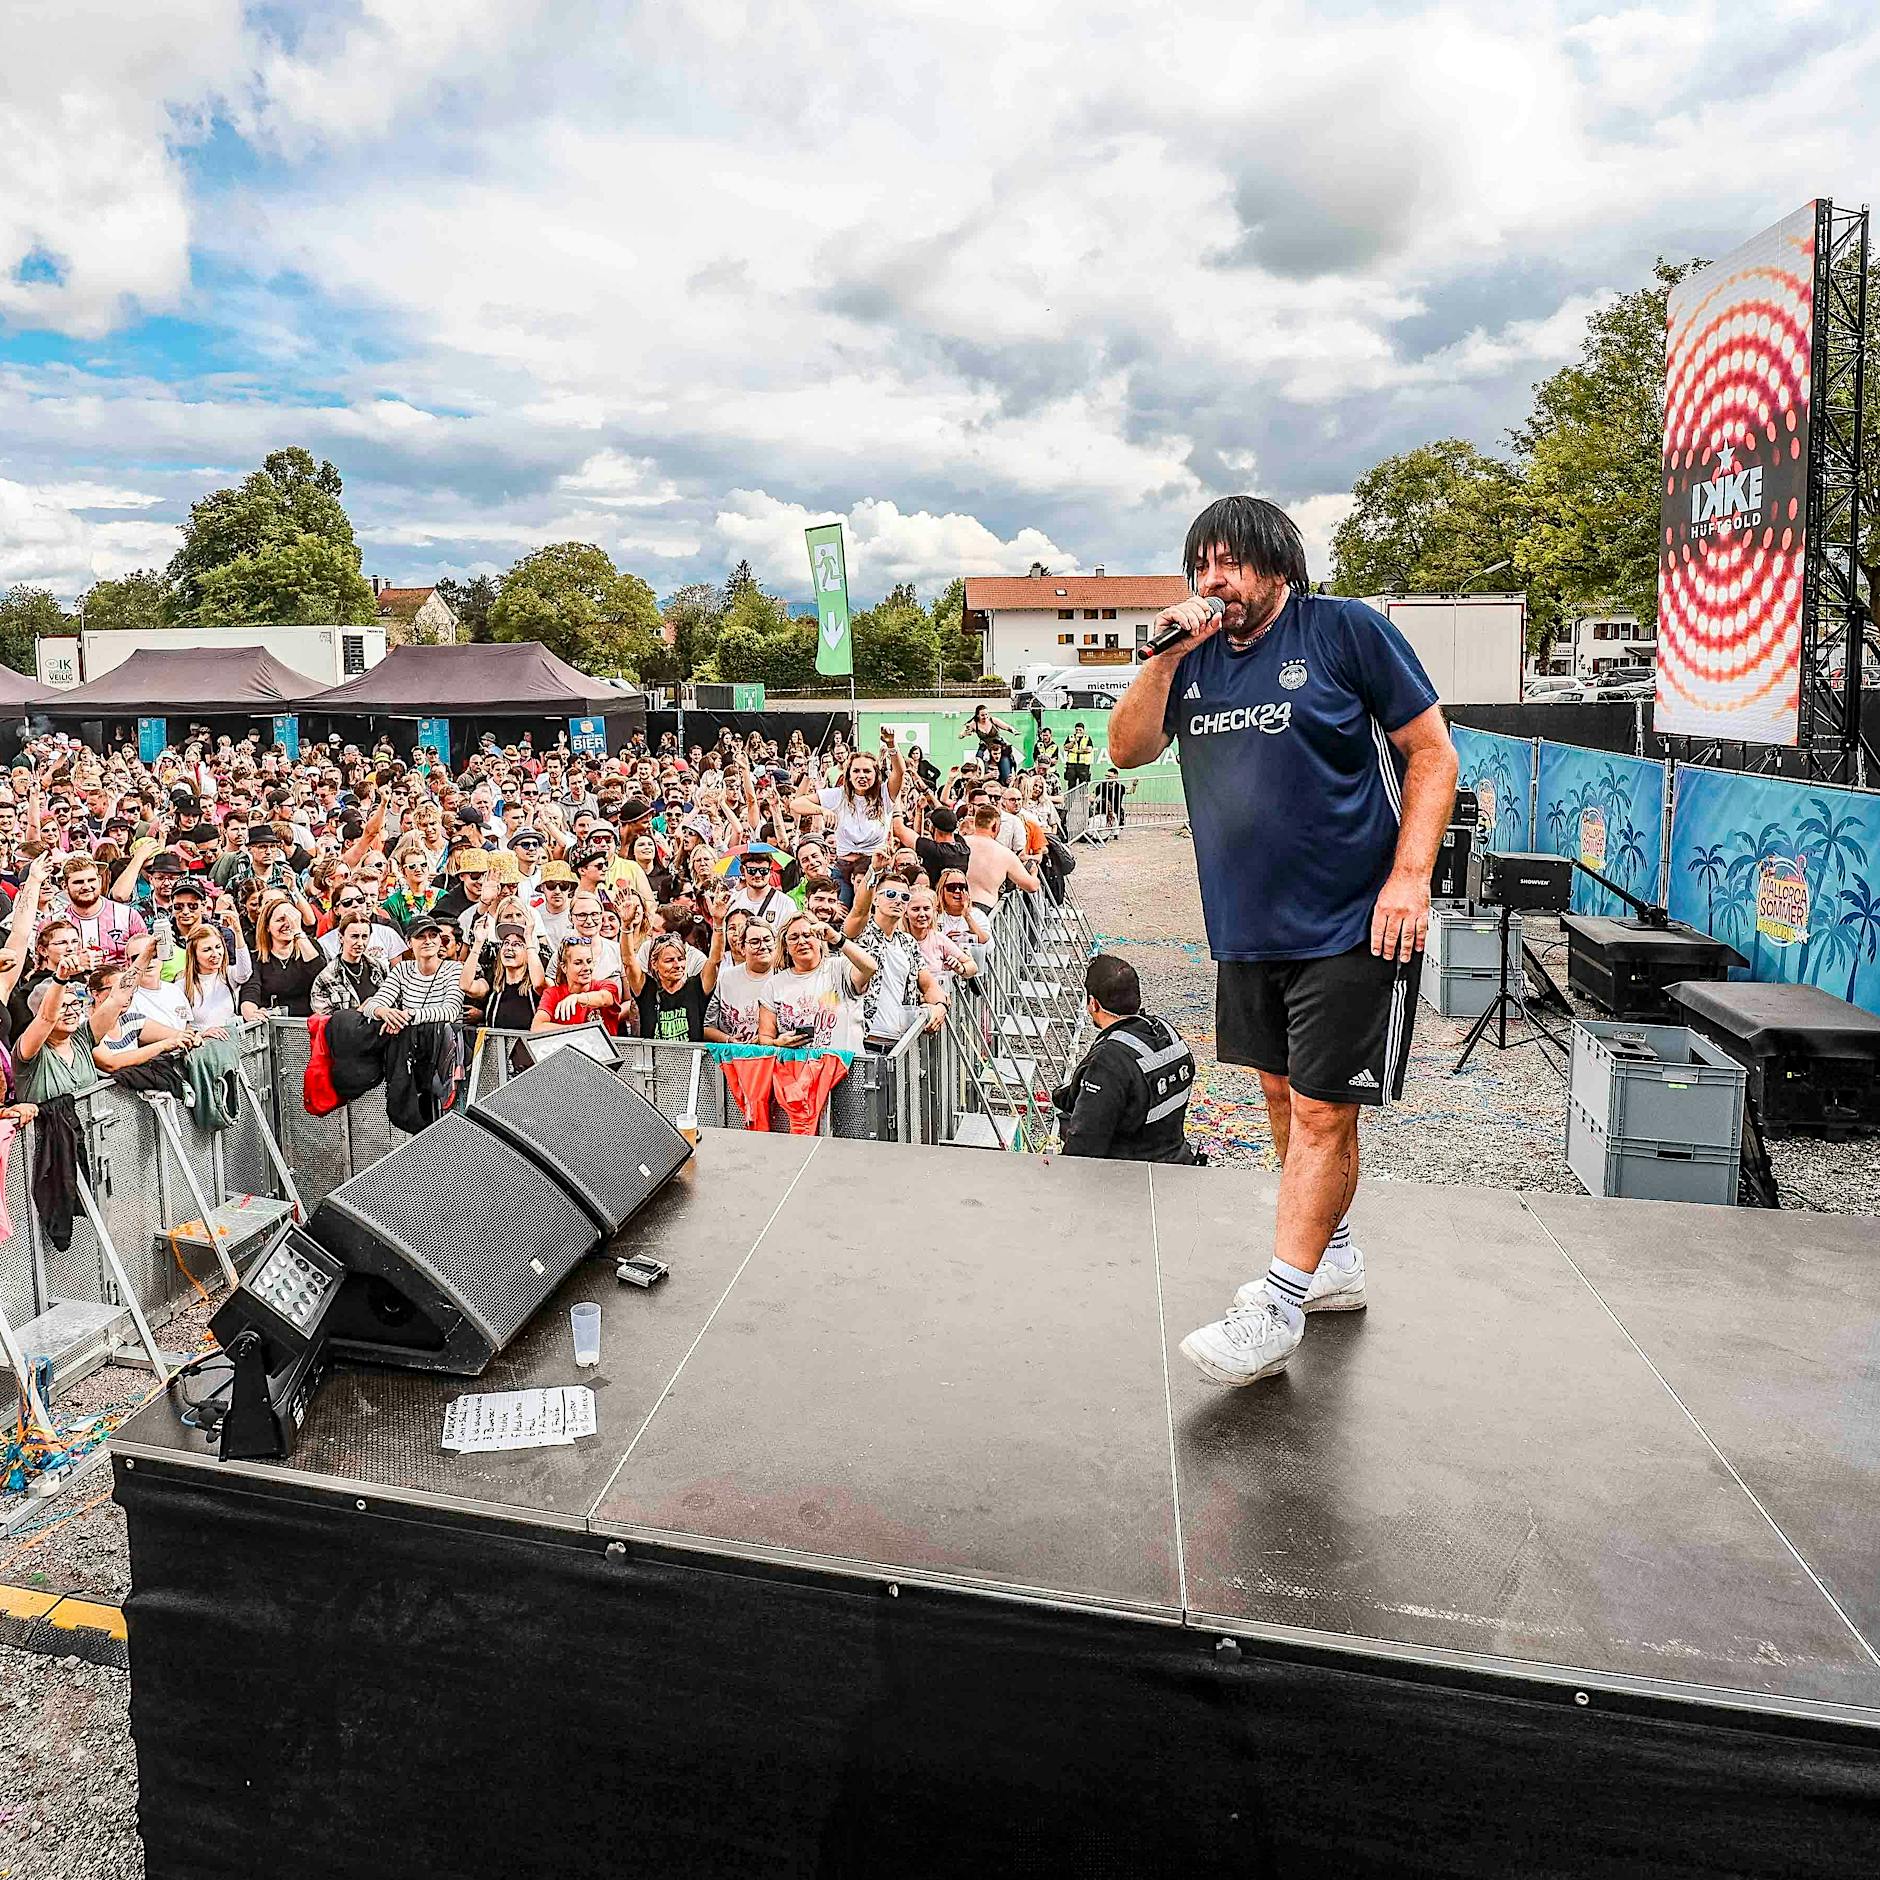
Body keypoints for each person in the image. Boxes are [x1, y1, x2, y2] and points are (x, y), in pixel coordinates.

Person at [1105, 494, 1457, 1388]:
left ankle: (1279, 1301)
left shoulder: (1344, 632)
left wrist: (1410, 878)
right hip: (1245, 926)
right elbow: (1126, 750)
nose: (1212, 580)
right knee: (1280, 1096)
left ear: (1277, 566)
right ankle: (1333, 1256)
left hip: (1352, 919)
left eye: (1229, 563)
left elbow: (1431, 754)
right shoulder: (1191, 663)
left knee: (1321, 1109)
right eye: (1201, 565)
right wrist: (1165, 654)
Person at [1052, 955, 1196, 1162]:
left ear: (1093, 1003)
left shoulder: (1109, 1061)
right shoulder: (1166, 1032)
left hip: (1130, 1175)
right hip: (1177, 1160)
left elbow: (1084, 1145)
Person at [758, 910, 877, 1053]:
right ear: (786, 947)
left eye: (807, 935)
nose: (801, 942)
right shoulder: (774, 985)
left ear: (820, 939)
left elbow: (870, 968)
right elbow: (764, 1039)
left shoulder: (839, 968)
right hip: (797, 1070)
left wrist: (836, 938)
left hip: (845, 1069)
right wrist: (778, 1043)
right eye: (794, 937)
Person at [532, 936, 623, 1037]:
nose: (586, 968)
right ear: (564, 967)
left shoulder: (606, 985)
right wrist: (577, 1031)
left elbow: (604, 998)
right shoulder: (553, 993)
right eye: (578, 963)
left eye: (589, 961)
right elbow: (537, 1027)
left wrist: (577, 998)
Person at [1061, 721, 1095, 792]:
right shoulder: (1071, 737)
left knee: (1083, 786)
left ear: (1083, 730)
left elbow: (1089, 750)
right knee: (1071, 785)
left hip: (1083, 765)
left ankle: (1083, 802)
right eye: (1077, 730)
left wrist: (1076, 751)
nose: (1078, 731)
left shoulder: (1087, 738)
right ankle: (1069, 803)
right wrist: (1074, 741)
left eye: (1080, 730)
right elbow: (1065, 747)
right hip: (1071, 765)